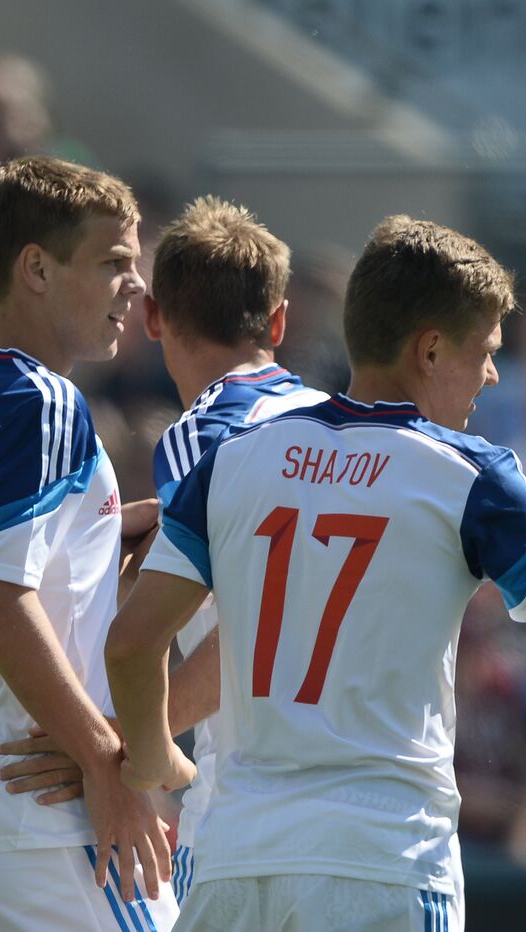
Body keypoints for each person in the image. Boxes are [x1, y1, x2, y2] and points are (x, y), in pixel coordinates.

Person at [105, 215, 526, 930]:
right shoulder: (469, 476)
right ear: (431, 350)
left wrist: (153, 763)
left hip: (233, 868)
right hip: (381, 867)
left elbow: (131, 645)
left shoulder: (232, 460)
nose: (493, 374)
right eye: (486, 351)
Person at [0, 156, 178, 928]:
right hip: (40, 815)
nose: (137, 284)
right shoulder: (41, 399)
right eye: (114, 260)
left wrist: (97, 537)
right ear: (37, 270)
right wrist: (107, 762)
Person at [143, 195, 328, 901]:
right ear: (278, 322)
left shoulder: (202, 436)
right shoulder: (340, 427)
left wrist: (121, 749)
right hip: (364, 814)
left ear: (155, 316)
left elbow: (261, 624)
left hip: (243, 812)